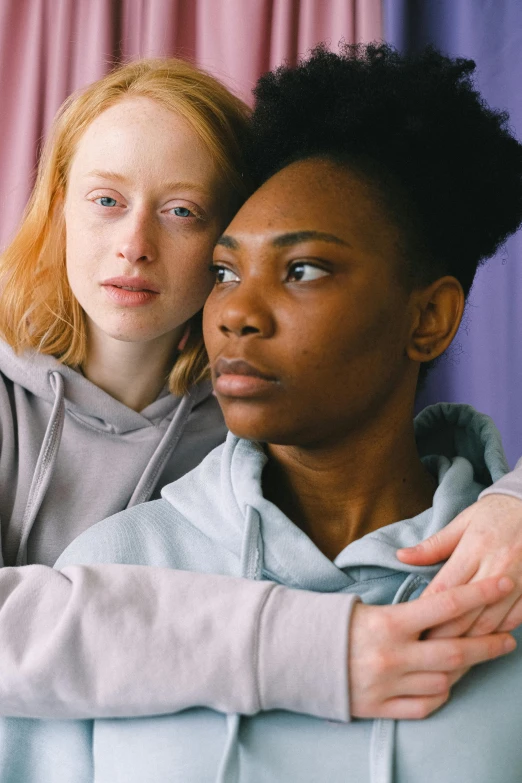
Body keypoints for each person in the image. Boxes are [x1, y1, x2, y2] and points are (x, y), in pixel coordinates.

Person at [0, 50, 520, 746]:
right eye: (105, 200)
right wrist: (314, 649)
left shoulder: (267, 419)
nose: (134, 244)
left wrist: (512, 502)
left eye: (182, 211)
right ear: (57, 204)